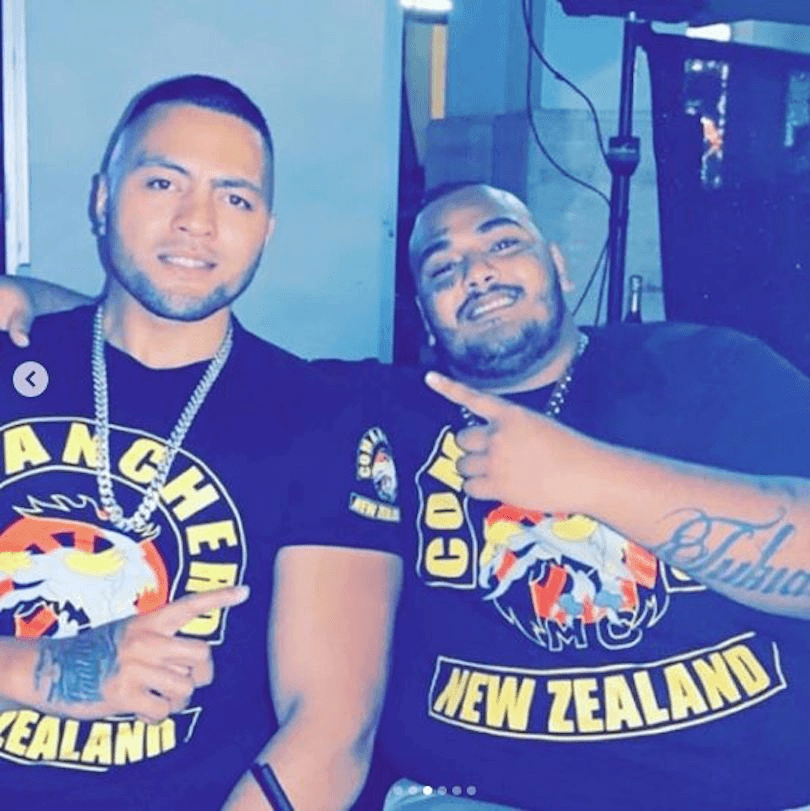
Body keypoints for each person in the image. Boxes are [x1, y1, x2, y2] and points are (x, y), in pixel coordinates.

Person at [6, 184, 810, 809]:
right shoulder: (373, 408)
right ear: (424, 313)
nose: (479, 272)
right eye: (443, 268)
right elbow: (178, 340)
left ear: (559, 266)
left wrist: (585, 477)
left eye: (503, 243)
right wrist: (28, 300)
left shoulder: (707, 370)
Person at [0, 74, 401, 811]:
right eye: (162, 182)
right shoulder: (8, 357)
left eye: (236, 197)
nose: (198, 221)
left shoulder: (324, 419)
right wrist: (35, 668)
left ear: (267, 228)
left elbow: (333, 727)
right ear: (102, 198)